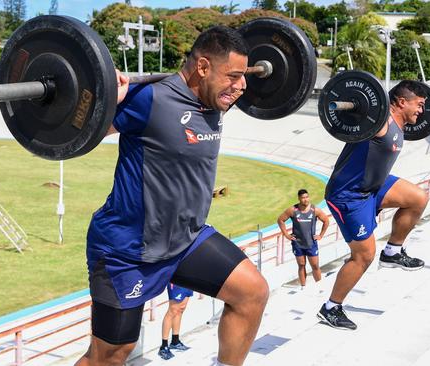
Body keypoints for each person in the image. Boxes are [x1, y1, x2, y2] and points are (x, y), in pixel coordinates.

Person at [76, 26, 268, 366]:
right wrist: (103, 96)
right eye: (234, 76)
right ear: (203, 67)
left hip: (185, 240)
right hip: (128, 249)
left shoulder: (215, 99)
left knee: (251, 293)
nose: (242, 86)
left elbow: (255, 91)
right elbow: (75, 132)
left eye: (245, 75)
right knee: (109, 355)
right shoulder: (149, 98)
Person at [317, 80, 430, 330]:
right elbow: (358, 109)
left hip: (374, 186)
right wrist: (348, 104)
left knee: (418, 198)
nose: (422, 111)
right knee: (364, 255)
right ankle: (331, 308)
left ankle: (392, 252)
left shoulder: (400, 125)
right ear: (401, 102)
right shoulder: (381, 122)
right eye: (419, 105)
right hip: (349, 194)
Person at [277, 189, 330, 289]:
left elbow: (326, 221)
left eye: (307, 197)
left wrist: (321, 235)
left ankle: (320, 286)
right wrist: (286, 235)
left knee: (315, 266)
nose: (305, 200)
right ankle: (303, 287)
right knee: (301, 265)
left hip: (311, 243)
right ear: (299, 198)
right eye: (303, 198)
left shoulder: (315, 210)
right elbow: (280, 220)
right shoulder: (293, 210)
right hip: (298, 243)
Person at [158, 284, 194, 360]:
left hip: (189, 276)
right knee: (173, 310)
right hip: (177, 278)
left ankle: (175, 341)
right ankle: (163, 347)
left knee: (181, 308)